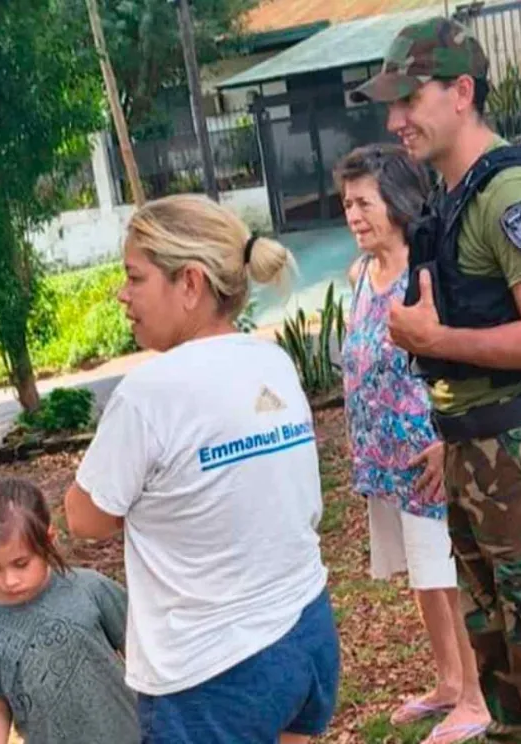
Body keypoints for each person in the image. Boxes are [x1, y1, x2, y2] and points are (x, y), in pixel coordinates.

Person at [352, 16, 521, 743]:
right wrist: (455, 439)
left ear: (462, 91)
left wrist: (436, 340)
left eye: (409, 99)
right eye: (390, 104)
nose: (395, 119)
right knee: (503, 665)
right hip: (480, 453)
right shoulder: (453, 193)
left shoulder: (510, 192)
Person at [63, 194, 341, 743]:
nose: (122, 294)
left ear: (189, 284)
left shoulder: (149, 394)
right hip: (305, 632)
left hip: (209, 674)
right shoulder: (272, 362)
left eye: (134, 277)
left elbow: (85, 519)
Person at [336, 144, 491, 744]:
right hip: (384, 460)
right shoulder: (360, 278)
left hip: (427, 456)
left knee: (448, 577)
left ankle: (476, 699)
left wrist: (449, 442)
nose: (353, 214)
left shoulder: (425, 279)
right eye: (347, 202)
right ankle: (449, 682)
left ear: (397, 203)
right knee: (423, 579)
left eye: (364, 202)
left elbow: (458, 361)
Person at [0, 475, 138, 744]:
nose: (9, 580)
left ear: (49, 540)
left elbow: (140, 653)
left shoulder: (89, 588)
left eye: (21, 563)